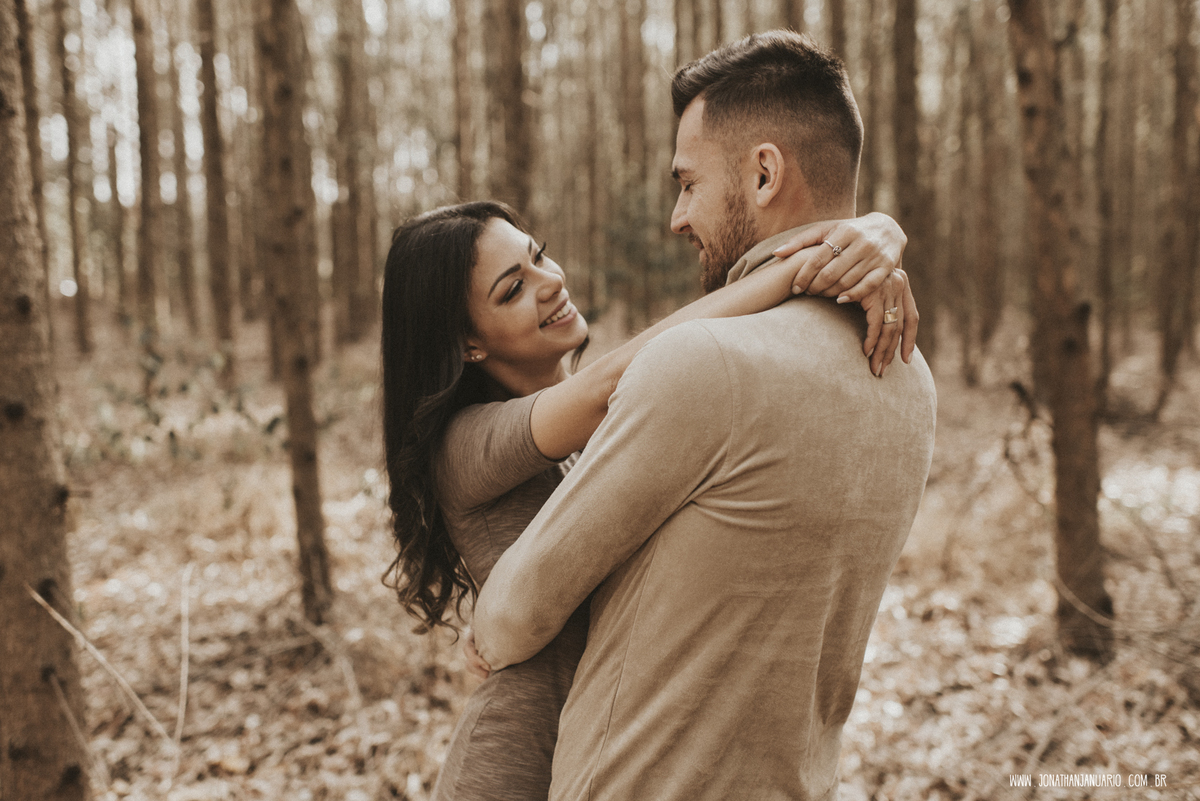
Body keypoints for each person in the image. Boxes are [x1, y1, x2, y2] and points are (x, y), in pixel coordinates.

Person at [470, 31, 937, 801]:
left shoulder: (706, 364)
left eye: (688, 183)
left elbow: (511, 618)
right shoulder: (910, 376)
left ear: (763, 172)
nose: (678, 216)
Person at [381, 197, 916, 798]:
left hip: (611, 749)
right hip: (512, 763)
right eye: (512, 290)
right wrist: (809, 264)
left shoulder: (603, 435)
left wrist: (878, 235)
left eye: (539, 258)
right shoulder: (466, 445)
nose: (550, 283)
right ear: (468, 345)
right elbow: (616, 378)